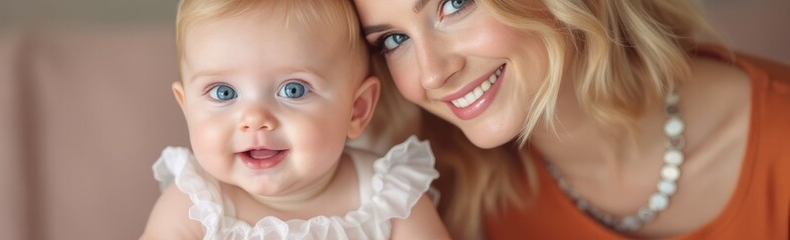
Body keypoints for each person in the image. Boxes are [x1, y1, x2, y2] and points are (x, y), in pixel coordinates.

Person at [352, 0, 790, 239]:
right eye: (393, 40)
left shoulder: (778, 140)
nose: (431, 73)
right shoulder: (439, 193)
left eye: (454, 3)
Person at [140, 0, 450, 239]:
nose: (254, 120)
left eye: (293, 90)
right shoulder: (194, 208)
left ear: (356, 109)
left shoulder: (391, 200)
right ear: (187, 108)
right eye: (223, 93)